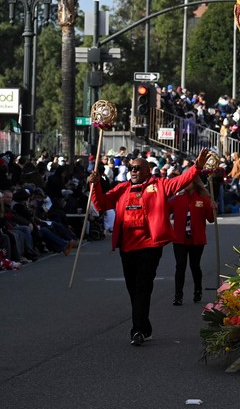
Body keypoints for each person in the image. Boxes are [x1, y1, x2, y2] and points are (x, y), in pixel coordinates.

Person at [89, 148, 213, 347]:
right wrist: (95, 186)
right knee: (133, 290)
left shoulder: (159, 185)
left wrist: (197, 167)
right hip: (127, 247)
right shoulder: (121, 188)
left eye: (138, 168)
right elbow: (101, 204)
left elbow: (180, 181)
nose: (134, 171)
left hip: (149, 246)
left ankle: (137, 330)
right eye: (131, 168)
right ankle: (144, 326)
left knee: (142, 287)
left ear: (148, 171)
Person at [168, 177, 217, 306]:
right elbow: (165, 209)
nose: (185, 184)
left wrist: (214, 209)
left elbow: (211, 219)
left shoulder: (203, 199)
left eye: (188, 182)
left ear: (194, 183)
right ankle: (178, 296)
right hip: (179, 239)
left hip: (197, 240)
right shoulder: (178, 198)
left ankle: (198, 291)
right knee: (180, 267)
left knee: (195, 266)